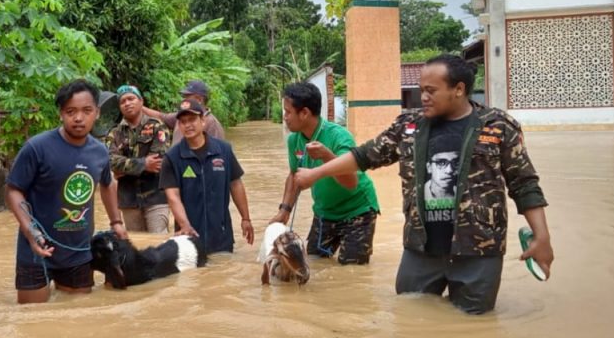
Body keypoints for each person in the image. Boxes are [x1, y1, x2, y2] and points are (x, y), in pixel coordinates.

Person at [294, 54, 554, 314]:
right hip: (421, 248)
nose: (423, 97)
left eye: (431, 90)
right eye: (421, 90)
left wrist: (541, 236)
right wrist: (317, 174)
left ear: (459, 89)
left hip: (479, 250)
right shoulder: (409, 127)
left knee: (474, 325)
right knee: (410, 315)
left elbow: (524, 184)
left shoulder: (498, 127)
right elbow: (364, 156)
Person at [6, 79, 129, 304]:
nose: (79, 118)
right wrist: (30, 231)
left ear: (97, 113)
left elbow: (108, 183)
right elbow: (14, 190)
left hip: (78, 251)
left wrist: (116, 222)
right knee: (31, 319)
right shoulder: (37, 147)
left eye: (86, 111)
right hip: (36, 249)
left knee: (76, 318)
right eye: (71, 111)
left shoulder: (99, 151)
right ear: (61, 113)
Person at [269, 82, 380, 265]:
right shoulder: (294, 140)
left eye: (288, 112)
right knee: (312, 263)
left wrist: (326, 155)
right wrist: (284, 210)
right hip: (324, 213)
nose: (284, 117)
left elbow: (351, 182)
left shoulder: (339, 136)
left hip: (357, 212)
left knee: (351, 270)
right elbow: (293, 175)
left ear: (304, 113)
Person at [159, 98, 254, 254]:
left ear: (203, 121)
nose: (188, 125)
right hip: (188, 238)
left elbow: (236, 184)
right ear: (179, 126)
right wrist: (185, 225)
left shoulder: (223, 150)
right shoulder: (172, 157)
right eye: (183, 122)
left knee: (221, 273)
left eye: (192, 119)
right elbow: (172, 196)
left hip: (221, 236)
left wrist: (245, 219)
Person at [104, 84, 171, 233]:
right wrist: (143, 164)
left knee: (159, 245)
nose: (127, 103)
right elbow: (110, 161)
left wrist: (125, 169)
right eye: (123, 101)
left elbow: (158, 162)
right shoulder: (114, 133)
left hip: (156, 197)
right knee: (136, 247)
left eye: (131, 98)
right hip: (128, 199)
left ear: (141, 102)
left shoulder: (157, 127)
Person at [143, 79, 225, 144]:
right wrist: (140, 107)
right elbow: (161, 116)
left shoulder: (212, 124)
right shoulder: (180, 117)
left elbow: (217, 156)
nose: (183, 100)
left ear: (199, 99)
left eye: (187, 97)